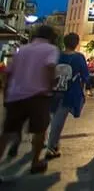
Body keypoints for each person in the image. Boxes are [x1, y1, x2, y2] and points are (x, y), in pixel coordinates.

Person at [0, 25, 59, 174]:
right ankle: (35, 162)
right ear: (51, 37)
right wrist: (51, 85)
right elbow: (50, 67)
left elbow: (8, 73)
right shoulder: (51, 49)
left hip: (16, 96)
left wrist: (7, 93)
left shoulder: (23, 49)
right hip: (38, 96)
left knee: (7, 132)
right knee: (40, 130)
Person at [46, 32, 90, 159]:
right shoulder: (79, 57)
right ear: (76, 44)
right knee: (59, 120)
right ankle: (51, 146)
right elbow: (85, 75)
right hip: (69, 92)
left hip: (53, 89)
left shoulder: (57, 55)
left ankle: (51, 142)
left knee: (54, 117)